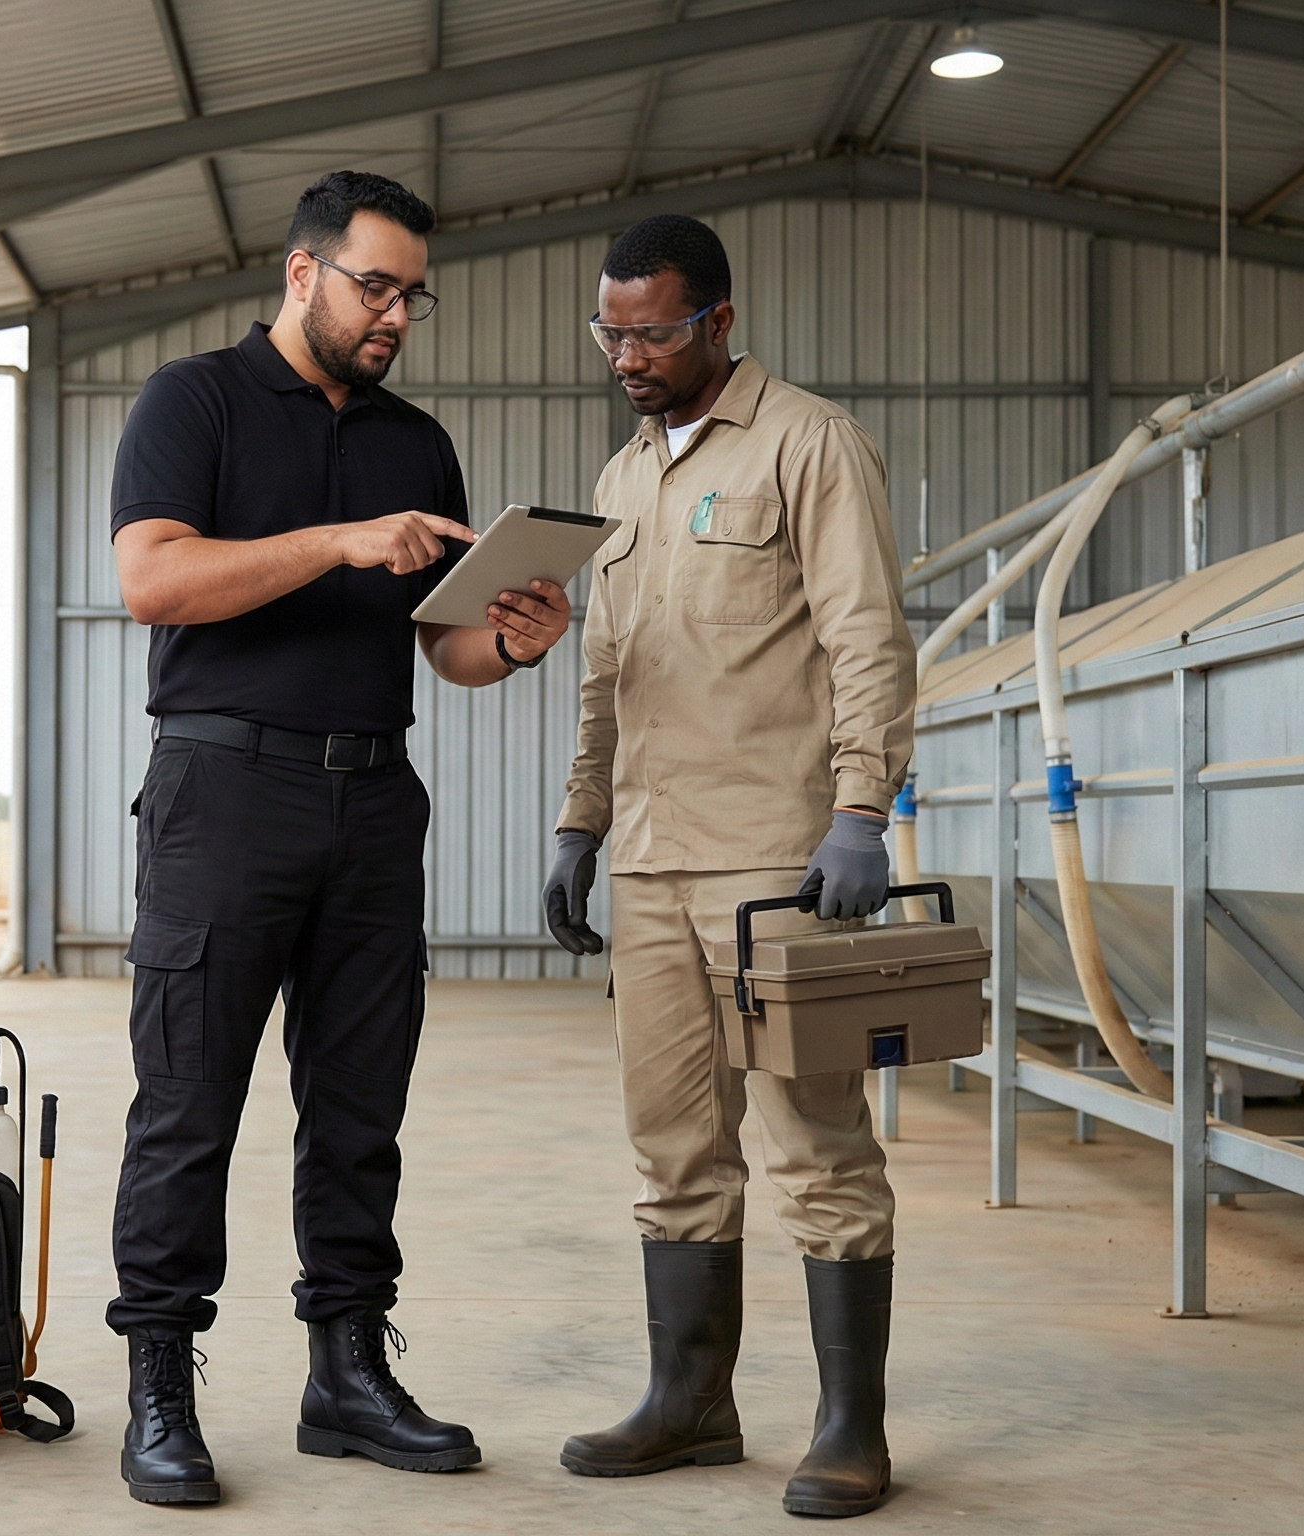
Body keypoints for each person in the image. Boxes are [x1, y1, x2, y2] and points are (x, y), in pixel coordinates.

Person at [104, 169, 572, 1507]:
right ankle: (159, 1385)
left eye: (412, 296)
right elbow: (152, 578)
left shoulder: (416, 443)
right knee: (189, 1100)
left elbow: (446, 646)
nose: (396, 316)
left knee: (361, 1105)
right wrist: (335, 542)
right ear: (302, 272)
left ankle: (348, 1374)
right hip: (222, 789)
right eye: (376, 287)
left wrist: (515, 642)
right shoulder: (191, 401)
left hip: (372, 797)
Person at [541, 214, 915, 1519]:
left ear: (718, 321)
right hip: (651, 863)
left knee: (817, 1147)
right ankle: (690, 1403)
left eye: (649, 333)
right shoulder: (621, 478)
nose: (626, 358)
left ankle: (851, 1428)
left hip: (777, 865)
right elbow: (606, 674)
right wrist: (581, 824)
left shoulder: (809, 444)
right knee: (673, 1150)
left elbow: (868, 635)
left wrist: (861, 808)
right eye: (609, 334)